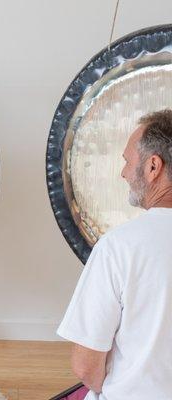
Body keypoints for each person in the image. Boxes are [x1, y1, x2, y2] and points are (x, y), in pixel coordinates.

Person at [57, 109, 172, 400]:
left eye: (127, 161)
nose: (123, 172)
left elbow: (86, 367)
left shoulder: (118, 247)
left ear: (153, 166)